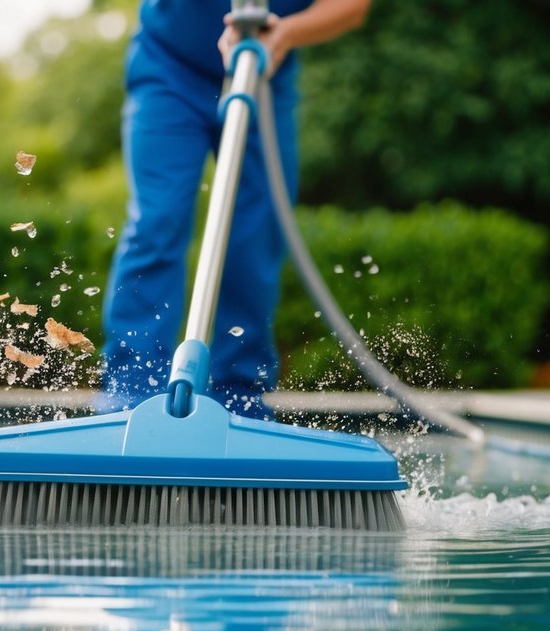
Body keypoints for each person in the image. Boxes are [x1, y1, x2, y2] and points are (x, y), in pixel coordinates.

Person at [96, 0, 371, 421]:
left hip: (266, 67)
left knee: (254, 236)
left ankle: (239, 399)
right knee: (157, 219)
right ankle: (131, 393)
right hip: (167, 65)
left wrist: (285, 33)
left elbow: (351, 7)